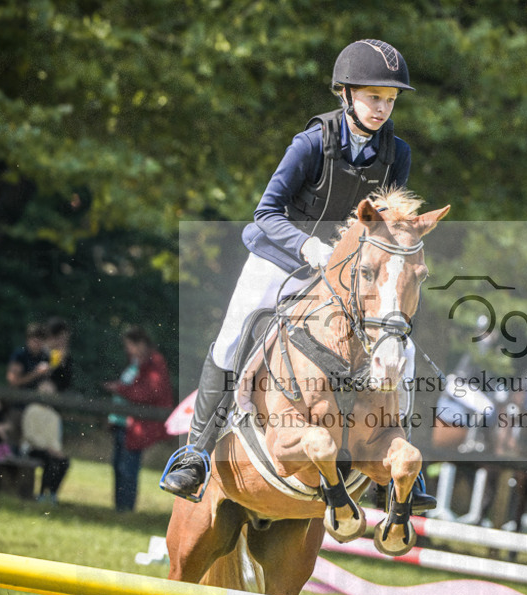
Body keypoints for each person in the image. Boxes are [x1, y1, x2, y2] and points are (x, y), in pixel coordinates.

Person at [160, 39, 435, 510]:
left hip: (349, 273)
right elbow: (265, 213)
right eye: (374, 97)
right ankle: (196, 454)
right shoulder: (311, 143)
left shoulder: (398, 153)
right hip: (282, 257)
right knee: (234, 336)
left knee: (397, 346)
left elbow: (386, 223)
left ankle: (396, 469)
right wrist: (308, 246)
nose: (382, 109)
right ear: (345, 94)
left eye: (390, 100)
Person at [104, 326, 174, 512]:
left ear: (140, 343)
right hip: (123, 422)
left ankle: (126, 508)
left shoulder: (154, 362)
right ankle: (120, 507)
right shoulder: (137, 362)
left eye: (130, 345)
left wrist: (120, 389)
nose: (128, 350)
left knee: (128, 468)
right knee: (119, 466)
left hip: (136, 424)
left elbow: (149, 392)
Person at [20, 380, 69, 504]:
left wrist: (57, 450)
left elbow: (56, 438)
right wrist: (47, 448)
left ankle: (53, 493)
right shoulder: (31, 410)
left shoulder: (55, 415)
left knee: (64, 462)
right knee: (50, 461)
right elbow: (29, 435)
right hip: (32, 448)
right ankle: (41, 494)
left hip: (50, 450)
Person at [6, 322, 51, 390]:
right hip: (18, 394)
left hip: (36, 394)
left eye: (40, 340)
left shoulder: (45, 356)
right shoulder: (20, 355)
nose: (37, 344)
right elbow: (13, 381)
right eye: (35, 341)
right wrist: (35, 373)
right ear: (28, 340)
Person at [45, 317, 74, 393]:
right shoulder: (44, 352)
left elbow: (66, 381)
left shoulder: (64, 354)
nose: (65, 342)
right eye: (61, 338)